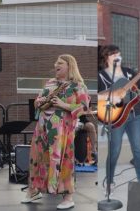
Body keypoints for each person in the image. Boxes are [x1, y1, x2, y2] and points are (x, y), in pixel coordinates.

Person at [21, 54, 90, 210]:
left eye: (59, 63)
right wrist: (39, 102)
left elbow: (85, 109)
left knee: (63, 159)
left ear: (69, 66)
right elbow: (38, 101)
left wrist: (62, 104)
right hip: (43, 126)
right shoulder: (50, 83)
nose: (55, 65)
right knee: (37, 157)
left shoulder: (78, 86)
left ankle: (68, 196)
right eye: (55, 63)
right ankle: (33, 190)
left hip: (63, 130)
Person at [97, 44, 140, 185]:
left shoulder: (129, 73)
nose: (117, 57)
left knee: (138, 150)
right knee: (115, 151)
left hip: (134, 116)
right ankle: (109, 181)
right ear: (106, 58)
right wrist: (110, 96)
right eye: (113, 54)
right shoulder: (101, 75)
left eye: (118, 53)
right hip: (115, 117)